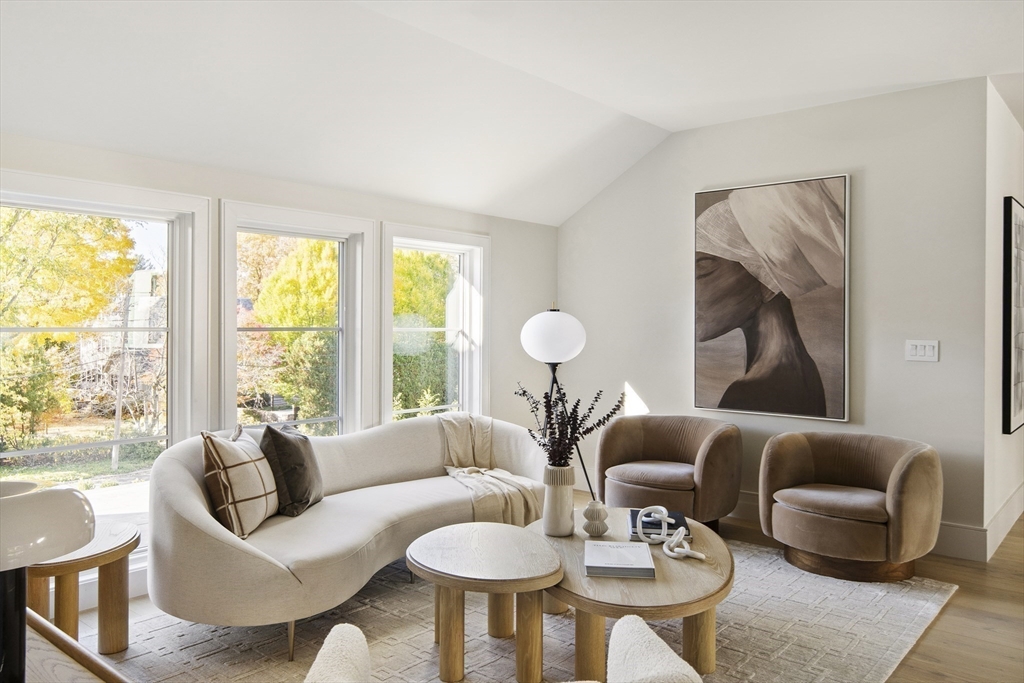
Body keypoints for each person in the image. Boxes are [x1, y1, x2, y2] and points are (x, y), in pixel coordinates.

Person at [695, 177, 845, 417]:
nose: (692, 291)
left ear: (766, 280)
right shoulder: (800, 371)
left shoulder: (750, 394)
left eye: (702, 269)